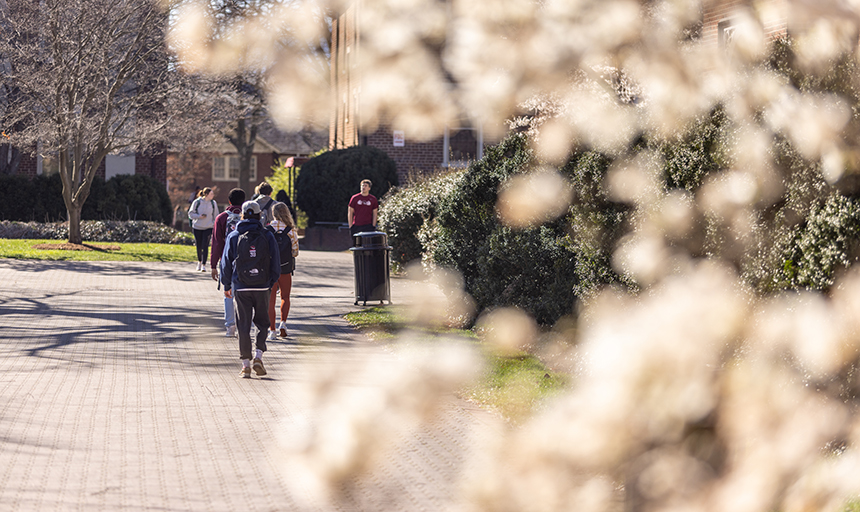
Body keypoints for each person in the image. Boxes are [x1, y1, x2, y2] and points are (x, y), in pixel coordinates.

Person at [220, 201, 281, 378]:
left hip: (241, 286)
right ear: (259, 215)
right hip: (262, 286)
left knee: (243, 325)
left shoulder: (234, 235)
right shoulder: (267, 235)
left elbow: (225, 263)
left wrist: (227, 285)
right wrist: (271, 281)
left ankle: (245, 365)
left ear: (243, 215)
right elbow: (275, 262)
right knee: (263, 323)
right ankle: (258, 356)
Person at [211, 188, 246, 337]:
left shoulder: (221, 218)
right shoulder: (249, 217)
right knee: (244, 295)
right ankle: (243, 326)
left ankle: (230, 326)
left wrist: (213, 265)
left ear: (229, 201)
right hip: (246, 260)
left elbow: (217, 242)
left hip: (227, 261)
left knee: (228, 294)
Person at [266, 201, 299, 340]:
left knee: (270, 301)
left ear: (272, 214)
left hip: (270, 269)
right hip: (285, 268)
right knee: (285, 297)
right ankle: (283, 324)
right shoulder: (291, 231)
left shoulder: (267, 230)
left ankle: (272, 330)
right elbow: (295, 252)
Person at [188, 187, 219, 271]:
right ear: (206, 194)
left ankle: (204, 265)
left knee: (205, 245)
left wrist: (213, 224)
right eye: (211, 194)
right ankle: (199, 262)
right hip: (197, 227)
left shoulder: (213, 203)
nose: (213, 195)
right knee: (199, 245)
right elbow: (190, 214)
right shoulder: (197, 202)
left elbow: (216, 215)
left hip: (208, 227)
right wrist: (199, 216)